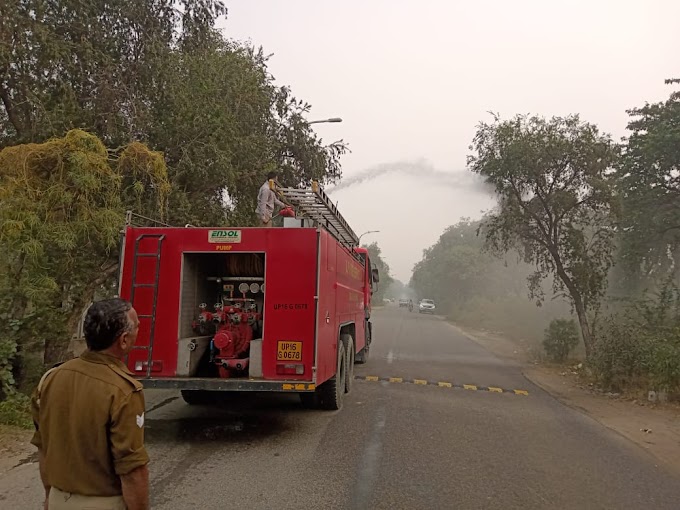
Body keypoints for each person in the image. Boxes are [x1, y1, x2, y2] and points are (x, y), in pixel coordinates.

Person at [31, 298, 150, 510]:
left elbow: (43, 447)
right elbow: (132, 470)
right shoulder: (122, 391)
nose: (139, 332)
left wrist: (50, 496)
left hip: (58, 500)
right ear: (123, 340)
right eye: (137, 327)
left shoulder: (50, 378)